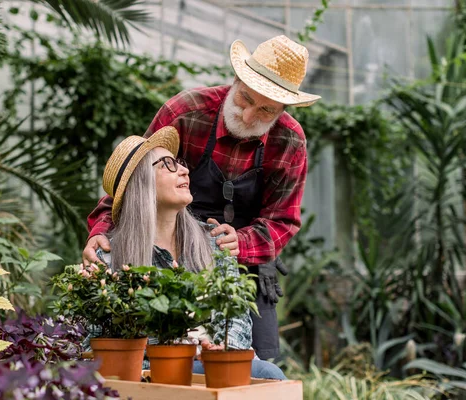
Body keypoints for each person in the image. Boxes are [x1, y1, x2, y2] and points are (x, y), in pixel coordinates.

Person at [84, 35, 320, 360]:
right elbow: (135, 176)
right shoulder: (187, 112)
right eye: (244, 100)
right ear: (235, 80)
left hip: (242, 262)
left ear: (283, 109)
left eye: (266, 110)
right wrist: (101, 231)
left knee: (258, 362)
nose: (249, 116)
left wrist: (242, 242)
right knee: (155, 347)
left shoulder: (290, 142)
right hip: (170, 251)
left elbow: (283, 220)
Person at [92, 126, 285, 380]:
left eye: (180, 163)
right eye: (167, 165)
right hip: (149, 375)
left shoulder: (213, 241)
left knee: (269, 375)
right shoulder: (109, 257)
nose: (184, 170)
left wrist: (222, 348)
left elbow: (236, 319)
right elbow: (95, 344)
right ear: (141, 183)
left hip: (211, 365)